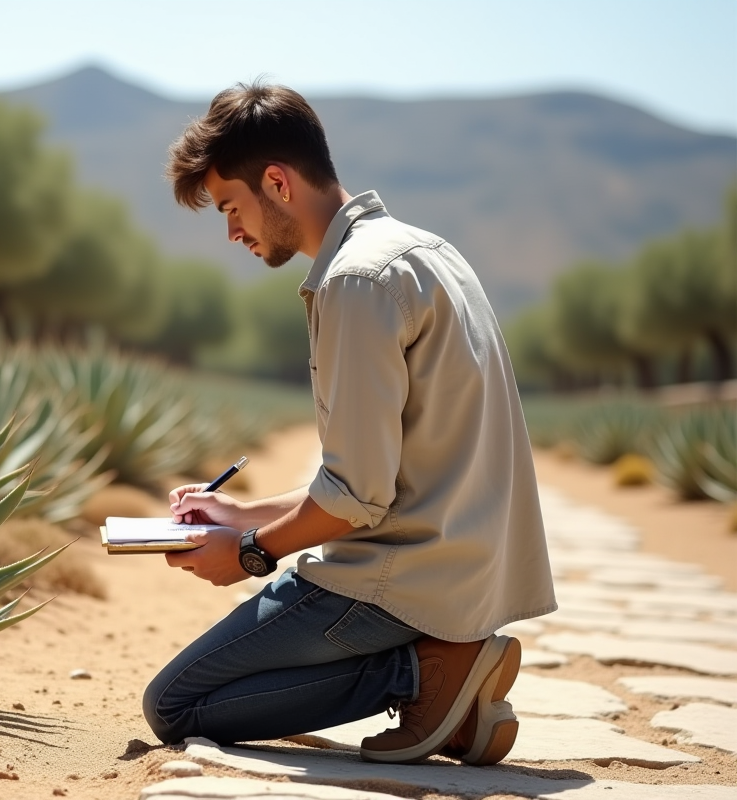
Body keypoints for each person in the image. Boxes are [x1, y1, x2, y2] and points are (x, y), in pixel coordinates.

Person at [142, 81, 556, 766]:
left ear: (277, 181)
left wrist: (250, 553)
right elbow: (376, 479)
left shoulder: (355, 283)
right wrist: (240, 511)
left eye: (231, 207)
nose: (231, 232)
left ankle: (425, 674)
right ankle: (453, 703)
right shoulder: (424, 252)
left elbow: (356, 498)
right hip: (459, 572)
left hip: (403, 581)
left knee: (175, 704)